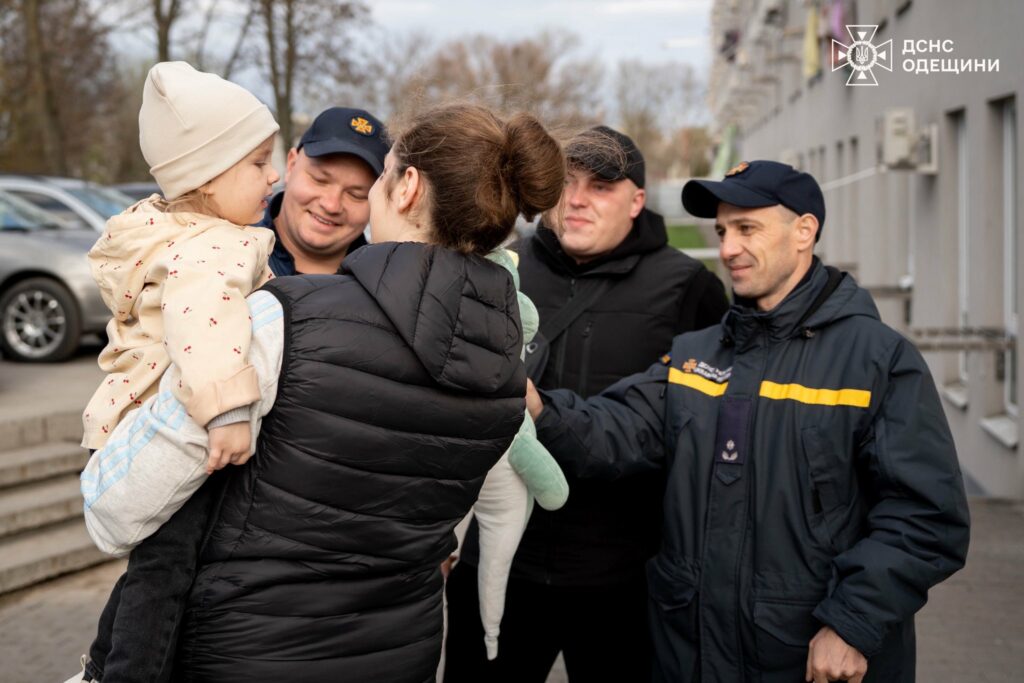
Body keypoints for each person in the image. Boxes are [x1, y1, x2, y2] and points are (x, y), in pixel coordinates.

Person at [80, 103, 567, 682]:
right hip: (398, 654)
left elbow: (118, 514)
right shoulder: (503, 366)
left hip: (246, 654)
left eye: (379, 177)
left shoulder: (280, 319)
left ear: (407, 187)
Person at [525, 160, 971, 683]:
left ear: (804, 231)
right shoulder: (697, 354)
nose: (728, 248)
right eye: (721, 232)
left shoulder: (876, 360)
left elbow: (926, 518)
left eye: (746, 229)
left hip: (810, 660)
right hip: (690, 656)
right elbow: (618, 426)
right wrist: (533, 402)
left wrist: (852, 623)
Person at [444, 126, 728, 682]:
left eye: (600, 186)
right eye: (567, 184)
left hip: (624, 577)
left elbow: (703, 432)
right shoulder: (498, 270)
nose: (575, 199)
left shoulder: (688, 287)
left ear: (637, 200)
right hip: (501, 566)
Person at [75, 61, 281, 682]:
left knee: (150, 566)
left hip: (126, 422)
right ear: (208, 177)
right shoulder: (218, 245)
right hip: (180, 427)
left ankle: (100, 664)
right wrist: (226, 412)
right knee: (166, 573)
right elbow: (203, 321)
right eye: (257, 162)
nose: (274, 176)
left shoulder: (163, 233)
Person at [259, 106, 389, 275]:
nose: (331, 205)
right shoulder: (224, 249)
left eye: (356, 195)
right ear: (291, 166)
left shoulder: (384, 289)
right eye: (320, 180)